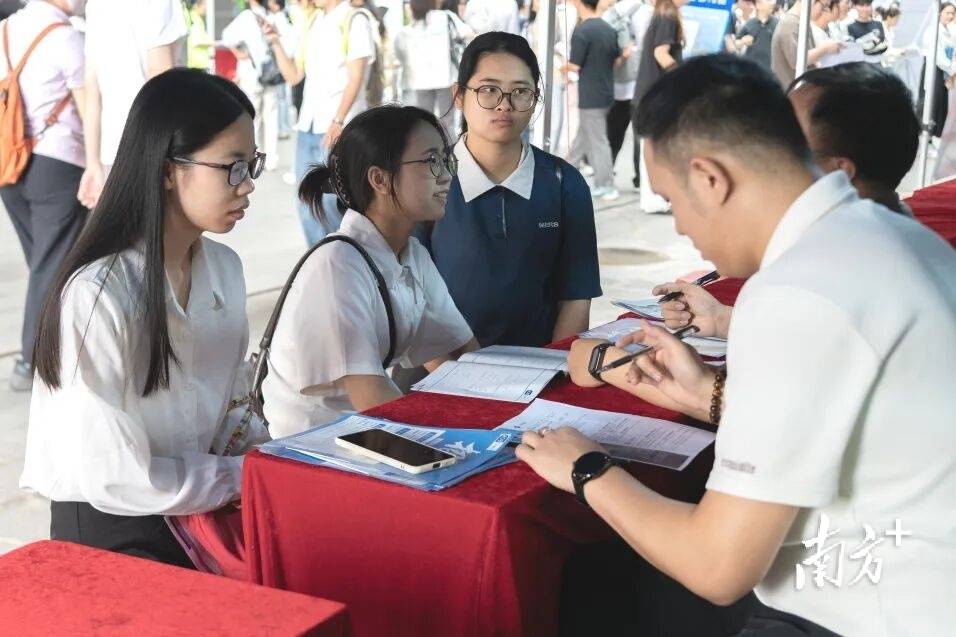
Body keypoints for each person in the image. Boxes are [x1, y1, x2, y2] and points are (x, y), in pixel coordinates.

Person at [523, 54, 956, 636]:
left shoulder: (797, 290)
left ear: (709, 178)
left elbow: (717, 565)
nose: (680, 227)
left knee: (588, 590)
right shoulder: (896, 236)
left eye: (673, 200)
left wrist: (584, 468)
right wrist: (709, 393)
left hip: (865, 612)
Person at [20, 69, 270, 566]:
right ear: (166, 169)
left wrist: (265, 459)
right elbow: (110, 473)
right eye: (233, 167)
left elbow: (232, 407)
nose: (247, 187)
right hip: (113, 525)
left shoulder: (225, 269)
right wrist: (240, 478)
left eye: (252, 165)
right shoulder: (98, 294)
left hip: (197, 508)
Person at [261, 105, 477, 436]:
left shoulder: (411, 253)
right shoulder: (337, 265)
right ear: (379, 179)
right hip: (309, 451)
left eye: (447, 160)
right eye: (432, 161)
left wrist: (506, 405)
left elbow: (457, 357)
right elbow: (372, 398)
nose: (447, 174)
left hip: (360, 436)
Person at [420, 32, 602, 348]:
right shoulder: (424, 178)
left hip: (536, 374)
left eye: (520, 92)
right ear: (459, 96)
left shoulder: (564, 183)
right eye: (489, 90)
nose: (504, 105)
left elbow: (576, 298)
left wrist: (552, 370)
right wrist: (454, 376)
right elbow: (408, 298)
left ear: (536, 98)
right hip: (435, 377)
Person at [0, 0, 87, 392]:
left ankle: (50, 347)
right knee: (51, 265)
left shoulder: (4, 31)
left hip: (9, 161)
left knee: (43, 259)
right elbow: (89, 109)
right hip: (57, 163)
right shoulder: (66, 39)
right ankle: (32, 360)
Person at [267, 0, 378, 245]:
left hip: (339, 126)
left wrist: (338, 120)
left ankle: (347, 258)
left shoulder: (355, 20)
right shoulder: (314, 21)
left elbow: (356, 78)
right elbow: (294, 75)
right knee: (306, 199)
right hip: (309, 124)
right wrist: (275, 41)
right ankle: (318, 257)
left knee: (333, 202)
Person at [78, 0, 188, 210]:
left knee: (124, 238)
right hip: (153, 147)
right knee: (162, 236)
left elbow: (92, 89)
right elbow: (160, 79)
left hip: (111, 152)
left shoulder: (97, 4)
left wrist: (92, 163)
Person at [632, 0, 686, 213]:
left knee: (654, 145)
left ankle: (654, 198)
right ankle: (654, 198)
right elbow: (661, 53)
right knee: (655, 145)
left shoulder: (662, 14)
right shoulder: (667, 16)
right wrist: (681, 75)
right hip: (656, 92)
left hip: (651, 92)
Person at [566, 0, 621, 200]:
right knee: (583, 136)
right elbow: (617, 59)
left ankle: (606, 185)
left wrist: (560, 67)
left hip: (591, 95)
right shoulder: (609, 29)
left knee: (598, 142)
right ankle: (566, 172)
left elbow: (574, 65)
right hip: (606, 92)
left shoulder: (582, 31)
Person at [394, 0, 474, 136]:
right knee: (447, 120)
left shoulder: (410, 27)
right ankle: (448, 151)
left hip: (420, 81)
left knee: (425, 120)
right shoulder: (446, 16)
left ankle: (428, 149)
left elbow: (400, 52)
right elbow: (469, 34)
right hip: (446, 78)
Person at [603, 0, 653, 191]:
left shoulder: (616, 10)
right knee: (640, 132)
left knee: (614, 131)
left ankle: (606, 174)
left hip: (619, 79)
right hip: (640, 79)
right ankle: (640, 179)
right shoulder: (648, 11)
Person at [769, 0, 842, 87]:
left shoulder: (801, 23)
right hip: (792, 92)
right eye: (823, 7)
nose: (823, 12)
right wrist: (825, 49)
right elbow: (797, 61)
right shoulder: (790, 24)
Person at [919, 2, 956, 140]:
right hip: (935, 71)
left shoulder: (948, 31)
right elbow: (938, 57)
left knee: (941, 107)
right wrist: (952, 69)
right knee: (931, 105)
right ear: (939, 12)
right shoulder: (932, 31)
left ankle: (936, 137)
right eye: (947, 12)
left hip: (945, 73)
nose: (951, 16)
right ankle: (927, 138)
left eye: (953, 13)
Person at [733, 0, 778, 71]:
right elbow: (736, 43)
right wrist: (743, 42)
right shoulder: (750, 23)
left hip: (769, 71)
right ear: (758, 4)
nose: (771, 4)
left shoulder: (778, 24)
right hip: (750, 69)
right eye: (767, 1)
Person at [185, 0, 215, 71]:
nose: (206, 8)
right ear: (196, 5)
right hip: (197, 64)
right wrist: (215, 43)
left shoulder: (196, 18)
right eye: (204, 4)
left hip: (197, 64)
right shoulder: (195, 19)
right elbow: (197, 41)